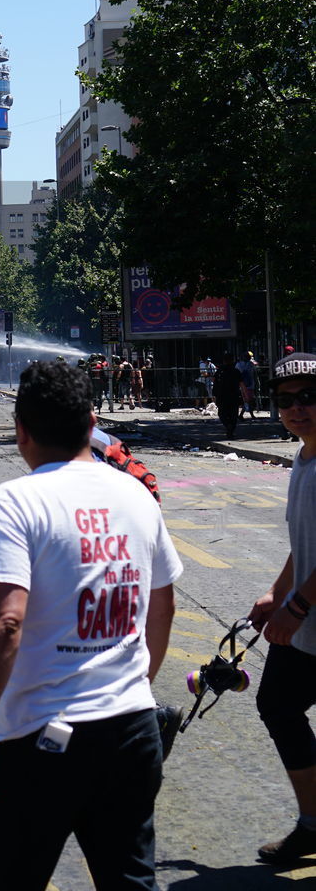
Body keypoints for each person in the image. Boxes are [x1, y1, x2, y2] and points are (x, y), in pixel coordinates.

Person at [0, 361, 182, 891]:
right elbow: (164, 603)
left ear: (22, 431)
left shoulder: (17, 500)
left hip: (42, 741)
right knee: (130, 881)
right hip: (132, 729)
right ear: (92, 422)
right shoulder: (137, 496)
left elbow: (6, 623)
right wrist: (138, 686)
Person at [249, 352, 316, 866]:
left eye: (309, 397)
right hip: (307, 621)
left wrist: (297, 605)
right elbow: (305, 543)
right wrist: (277, 594)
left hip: (308, 615)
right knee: (277, 703)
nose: (298, 409)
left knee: (278, 703)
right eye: (287, 401)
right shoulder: (302, 457)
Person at [213, 352, 244, 439]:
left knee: (222, 413)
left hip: (222, 396)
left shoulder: (220, 371)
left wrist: (214, 395)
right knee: (233, 414)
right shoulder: (236, 371)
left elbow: (214, 382)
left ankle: (228, 426)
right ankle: (230, 430)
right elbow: (242, 384)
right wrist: (245, 396)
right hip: (234, 396)